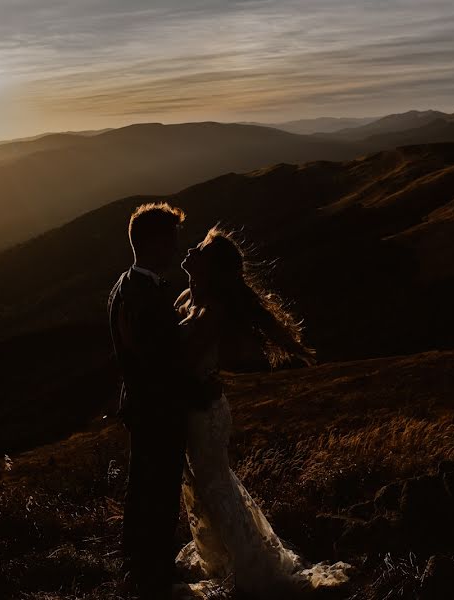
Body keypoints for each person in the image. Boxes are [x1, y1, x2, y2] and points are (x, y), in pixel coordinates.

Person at [173, 226, 352, 597]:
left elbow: (182, 362)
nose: (191, 248)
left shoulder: (211, 310)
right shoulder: (189, 298)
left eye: (201, 249)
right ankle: (229, 559)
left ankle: (250, 569)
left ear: (211, 268)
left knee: (215, 486)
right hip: (197, 409)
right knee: (207, 487)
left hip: (204, 414)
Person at [107, 202, 209, 597]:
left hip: (142, 405)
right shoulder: (141, 296)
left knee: (143, 486)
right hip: (157, 408)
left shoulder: (126, 284)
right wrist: (198, 391)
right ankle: (154, 574)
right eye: (172, 240)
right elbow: (157, 363)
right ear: (153, 243)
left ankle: (136, 564)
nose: (175, 249)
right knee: (159, 490)